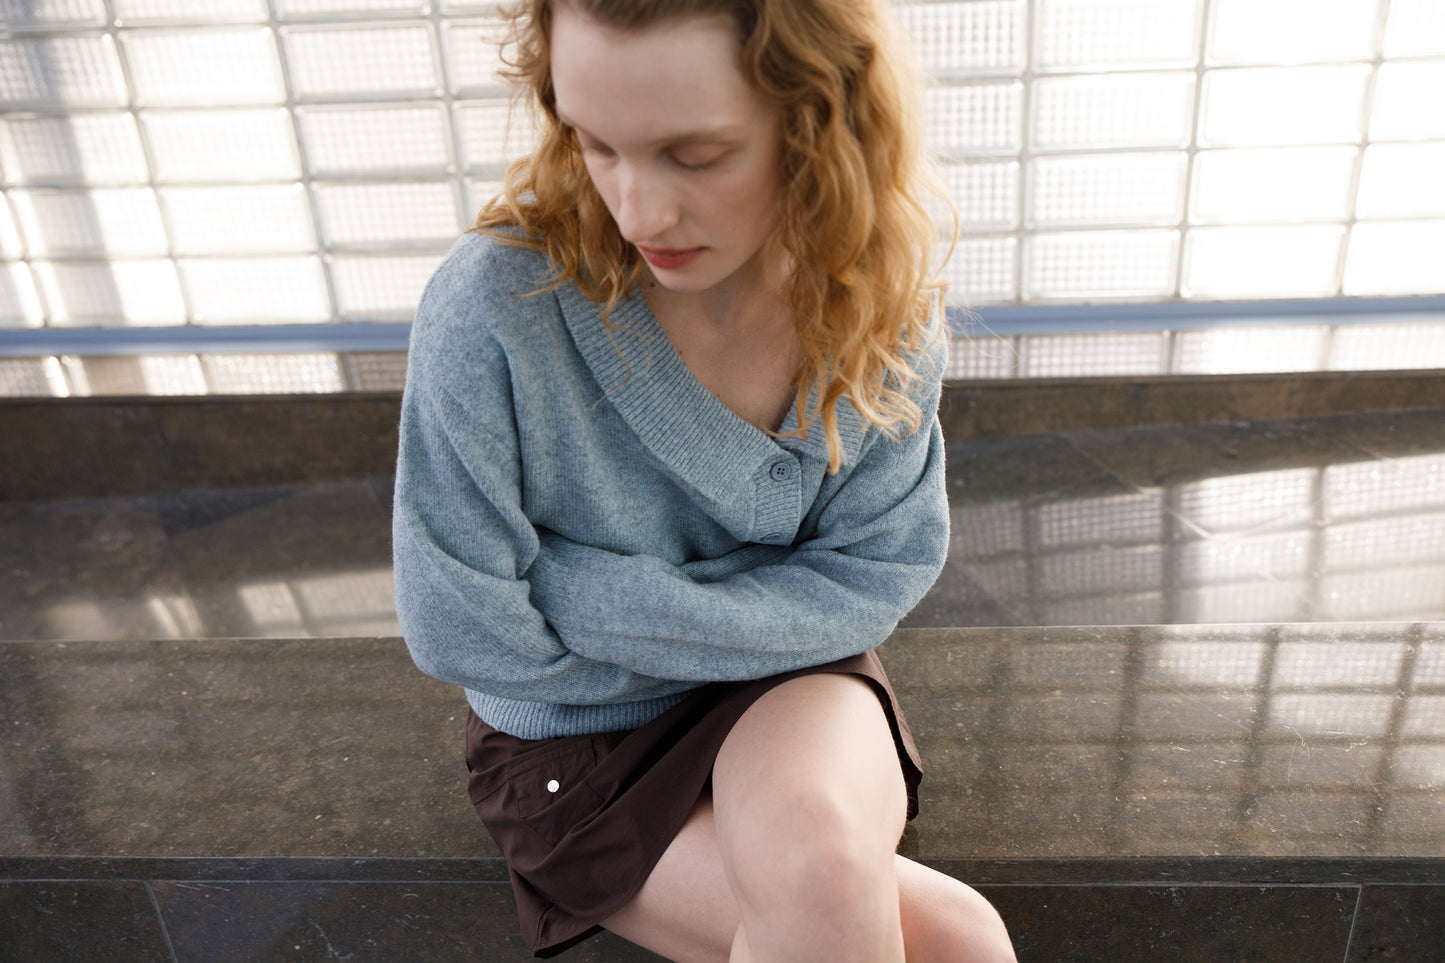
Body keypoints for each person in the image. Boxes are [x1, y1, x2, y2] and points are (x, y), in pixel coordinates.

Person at [392, 0, 1017, 959]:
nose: (636, 209)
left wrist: (574, 589)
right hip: (568, 739)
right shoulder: (493, 306)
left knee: (837, 876)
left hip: (787, 687)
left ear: (817, 124)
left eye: (694, 155)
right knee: (956, 941)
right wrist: (760, 600)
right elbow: (463, 624)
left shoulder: (873, 306)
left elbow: (875, 574)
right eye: (594, 143)